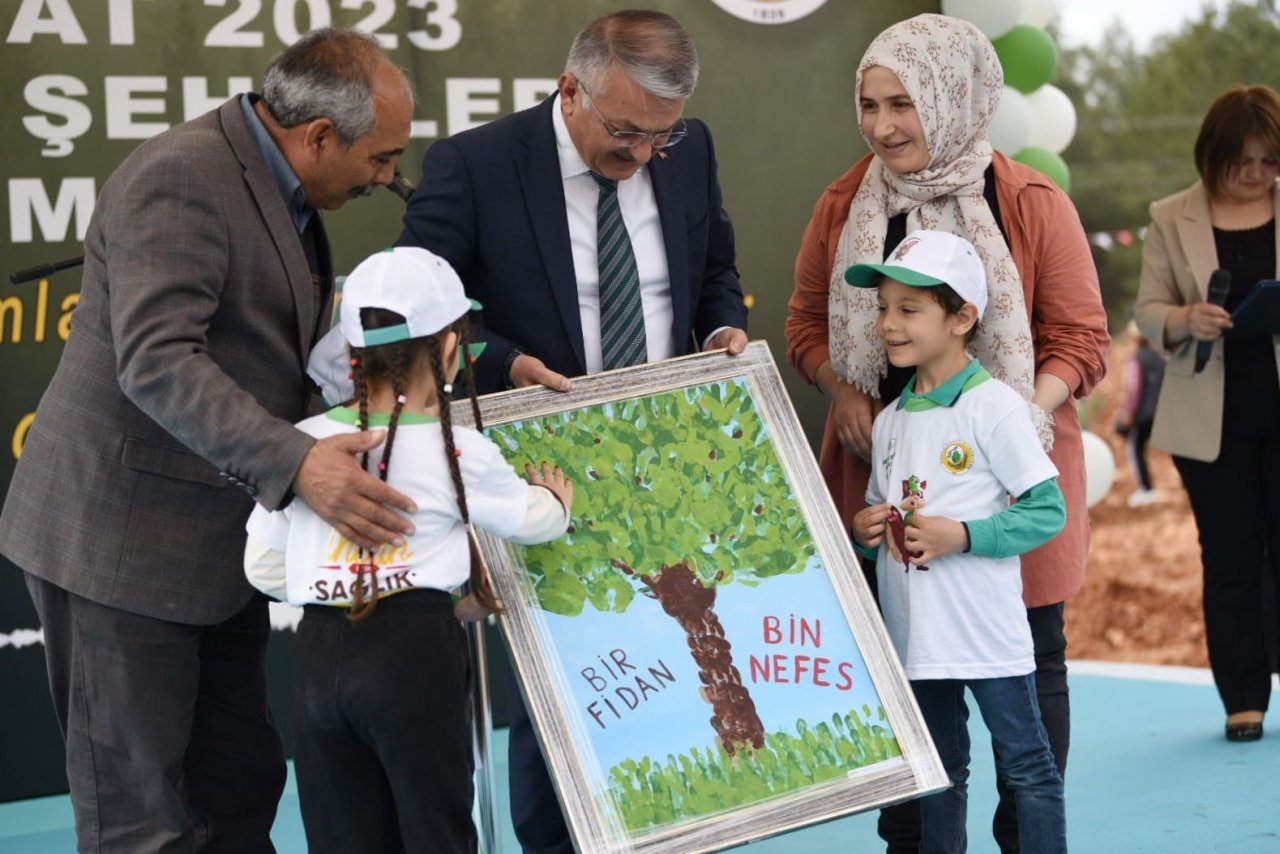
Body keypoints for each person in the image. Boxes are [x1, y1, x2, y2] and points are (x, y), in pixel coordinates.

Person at [0, 29, 416, 851]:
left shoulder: (279, 180)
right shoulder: (181, 177)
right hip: (119, 548)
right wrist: (298, 462)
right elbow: (157, 362)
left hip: (211, 551)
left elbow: (249, 348)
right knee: (141, 818)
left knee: (239, 787)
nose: (389, 178)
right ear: (319, 136)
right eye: (380, 157)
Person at [396, 10, 748, 852]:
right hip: (539, 476)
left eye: (659, 140)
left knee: (679, 681)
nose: (639, 157)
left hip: (671, 466)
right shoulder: (475, 167)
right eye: (624, 132)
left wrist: (720, 330)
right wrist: (507, 362)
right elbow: (408, 316)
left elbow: (715, 269)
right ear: (570, 89)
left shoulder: (686, 151)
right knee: (558, 697)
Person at [784, 13, 1108, 852]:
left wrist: (1020, 412)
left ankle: (1025, 829)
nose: (884, 125)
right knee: (904, 674)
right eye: (869, 104)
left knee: (1030, 664)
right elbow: (805, 326)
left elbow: (1082, 336)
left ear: (954, 99)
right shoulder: (841, 205)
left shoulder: (1031, 201)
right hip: (886, 469)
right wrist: (842, 391)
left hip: (1006, 459)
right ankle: (915, 836)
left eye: (904, 105)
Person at [243, 246, 574, 852]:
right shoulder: (459, 447)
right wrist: (556, 500)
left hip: (317, 657)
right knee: (435, 828)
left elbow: (261, 566)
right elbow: (531, 520)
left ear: (351, 355)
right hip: (413, 657)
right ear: (452, 349)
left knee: (343, 835)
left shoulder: (305, 444)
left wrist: (335, 575)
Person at [850, 229, 1067, 854]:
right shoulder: (890, 422)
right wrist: (869, 534)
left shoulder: (994, 407)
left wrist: (962, 535)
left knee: (1027, 766)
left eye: (909, 309)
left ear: (963, 318)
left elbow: (1045, 511)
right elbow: (878, 517)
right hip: (916, 638)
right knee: (939, 779)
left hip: (985, 634)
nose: (889, 323)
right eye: (884, 307)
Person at [1134, 84, 1280, 743]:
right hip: (1208, 422)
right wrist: (1185, 319)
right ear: (1211, 155)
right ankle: (1242, 698)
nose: (1256, 175)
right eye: (1242, 161)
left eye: (1270, 161)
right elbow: (1147, 310)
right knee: (1229, 557)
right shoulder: (1170, 216)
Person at [1114, 321, 1166, 507]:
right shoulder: (1159, 358)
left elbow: (1134, 389)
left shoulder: (1136, 359)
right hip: (1160, 412)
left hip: (1143, 414)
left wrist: (1128, 413)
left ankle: (1146, 489)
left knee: (1135, 448)